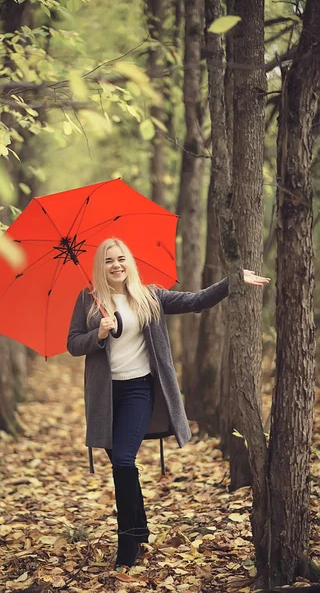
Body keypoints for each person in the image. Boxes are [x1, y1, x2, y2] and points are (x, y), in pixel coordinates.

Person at [67, 237, 270, 569]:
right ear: (99, 267)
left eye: (121, 258)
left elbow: (196, 301)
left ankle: (127, 543)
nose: (116, 265)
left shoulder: (149, 297)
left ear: (128, 261)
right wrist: (98, 334)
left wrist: (233, 280)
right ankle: (140, 528)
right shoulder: (88, 301)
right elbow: (73, 343)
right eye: (108, 261)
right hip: (105, 398)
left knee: (122, 462)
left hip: (139, 391)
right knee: (122, 469)